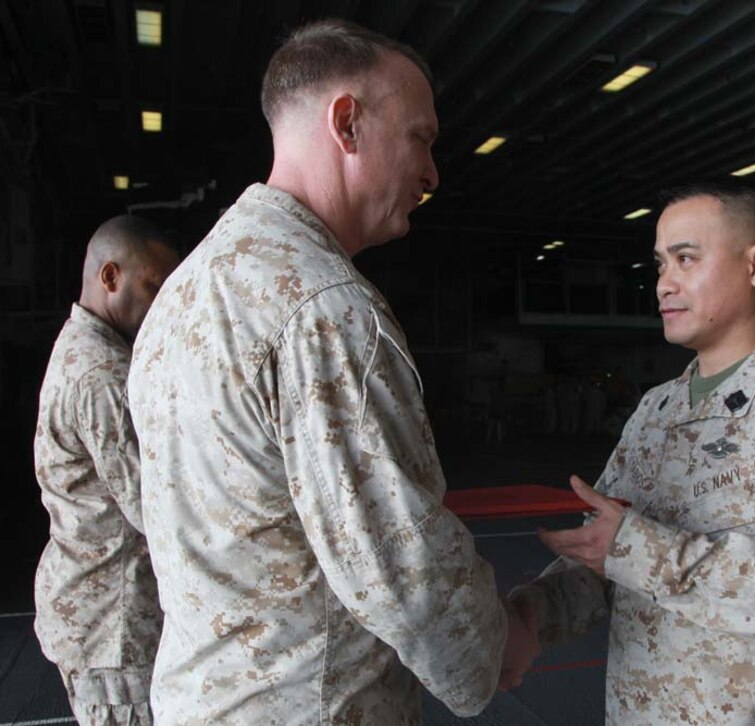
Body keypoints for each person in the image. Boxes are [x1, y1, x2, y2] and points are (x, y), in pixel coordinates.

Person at [127, 20, 536, 724]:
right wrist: (494, 649)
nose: (432, 173)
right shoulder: (324, 307)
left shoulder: (186, 292)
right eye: (421, 138)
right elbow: (403, 570)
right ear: (347, 124)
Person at [507, 181, 755, 723]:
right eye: (661, 264)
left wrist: (647, 552)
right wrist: (527, 618)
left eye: (686, 259)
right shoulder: (657, 409)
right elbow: (606, 556)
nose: (664, 283)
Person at [34, 215, 178, 725]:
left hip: (96, 614)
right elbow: (155, 508)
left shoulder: (86, 348)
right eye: (153, 286)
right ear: (110, 276)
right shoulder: (103, 375)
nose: (162, 303)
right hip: (116, 631)